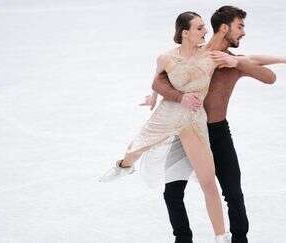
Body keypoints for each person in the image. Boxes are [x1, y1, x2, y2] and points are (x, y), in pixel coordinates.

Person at [145, 6, 286, 243]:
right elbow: (160, 79)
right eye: (239, 26)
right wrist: (168, 97)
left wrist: (239, 63)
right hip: (188, 132)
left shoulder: (235, 62)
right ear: (224, 27)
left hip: (218, 132)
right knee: (172, 193)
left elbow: (269, 77)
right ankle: (183, 239)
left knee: (233, 193)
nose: (243, 32)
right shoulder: (196, 55)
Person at [100, 11, 253, 243]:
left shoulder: (210, 55)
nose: (205, 32)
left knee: (208, 181)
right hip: (169, 113)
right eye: (200, 28)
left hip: (192, 121)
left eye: (204, 27)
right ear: (185, 33)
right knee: (136, 148)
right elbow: (157, 78)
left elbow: (254, 60)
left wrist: (285, 60)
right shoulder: (166, 57)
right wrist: (153, 98)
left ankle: (221, 237)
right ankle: (123, 166)